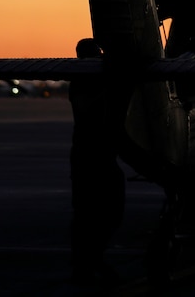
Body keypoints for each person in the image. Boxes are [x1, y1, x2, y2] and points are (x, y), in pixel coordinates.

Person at [68, 38, 124, 286]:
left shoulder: (81, 80)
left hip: (87, 155)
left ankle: (88, 262)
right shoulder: (91, 82)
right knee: (103, 212)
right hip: (94, 156)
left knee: (87, 214)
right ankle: (91, 262)